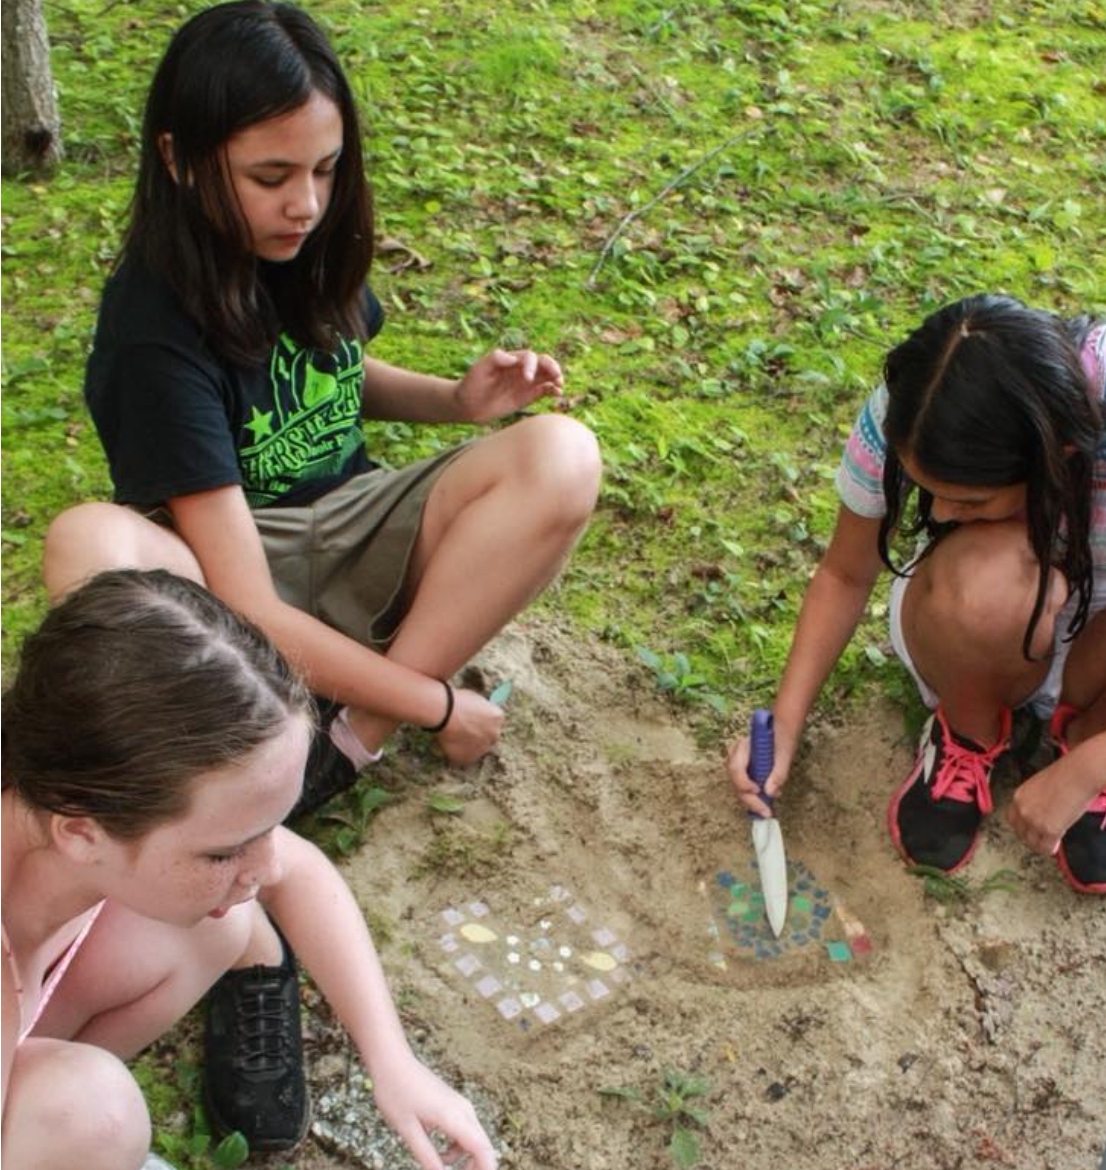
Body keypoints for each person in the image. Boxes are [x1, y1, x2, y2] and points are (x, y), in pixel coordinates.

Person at [38, 0, 600, 1147]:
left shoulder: (304, 243)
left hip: (345, 525)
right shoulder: (153, 322)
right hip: (223, 576)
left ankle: (339, 751)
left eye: (328, 169)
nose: (305, 201)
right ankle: (289, 763)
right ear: (182, 162)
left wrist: (454, 403)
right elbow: (241, 600)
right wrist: (440, 703)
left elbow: (336, 371)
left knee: (561, 455)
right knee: (90, 545)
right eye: (271, 174)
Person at [1, 569, 498, 1170]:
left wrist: (393, 1061)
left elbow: (300, 870)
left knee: (224, 925)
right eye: (223, 850)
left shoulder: (51, 799)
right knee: (94, 1113)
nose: (264, 867)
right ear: (81, 832)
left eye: (270, 827)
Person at [727, 294, 1106, 894]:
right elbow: (844, 574)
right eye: (929, 491)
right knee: (984, 591)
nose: (936, 511)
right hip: (985, 604)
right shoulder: (919, 401)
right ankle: (968, 729)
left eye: (969, 501)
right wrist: (785, 721)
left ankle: (1089, 741)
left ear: (1057, 457)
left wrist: (1093, 767)